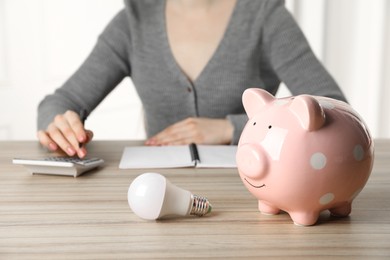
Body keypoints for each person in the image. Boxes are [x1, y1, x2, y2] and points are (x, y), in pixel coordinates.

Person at [37, 0, 347, 158]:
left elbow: (335, 110)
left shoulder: (265, 16)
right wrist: (59, 123)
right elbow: (61, 102)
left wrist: (232, 128)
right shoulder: (135, 21)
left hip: (253, 195)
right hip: (156, 196)